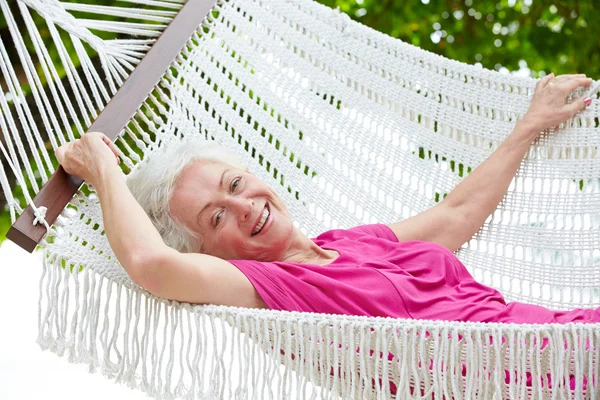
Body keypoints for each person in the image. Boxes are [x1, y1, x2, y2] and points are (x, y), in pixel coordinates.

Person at [55, 73, 600, 325]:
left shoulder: (348, 244)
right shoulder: (269, 287)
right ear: (207, 253)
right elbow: (153, 264)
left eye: (236, 184)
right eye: (216, 215)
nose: (244, 206)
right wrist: (105, 170)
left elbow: (455, 213)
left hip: (561, 335)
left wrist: (529, 125)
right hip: (531, 371)